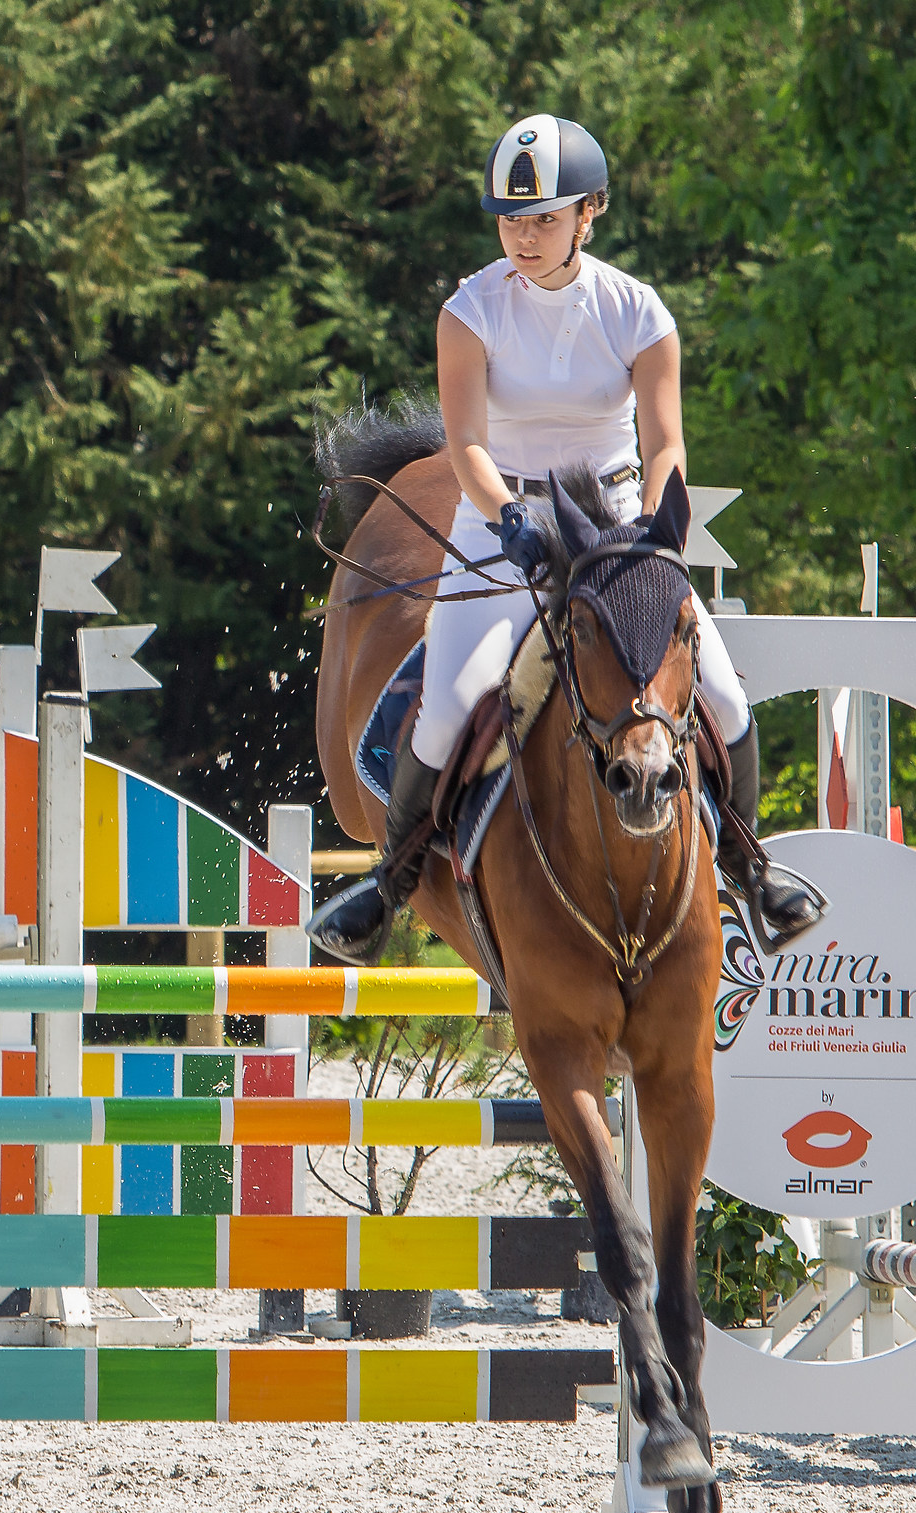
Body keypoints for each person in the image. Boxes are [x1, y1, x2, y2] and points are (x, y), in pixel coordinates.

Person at [309, 113, 824, 963]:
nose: (524, 234)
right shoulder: (470, 310)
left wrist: (658, 535)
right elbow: (468, 444)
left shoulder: (638, 312)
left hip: (619, 530)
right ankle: (388, 886)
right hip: (500, 521)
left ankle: (748, 868)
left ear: (592, 212)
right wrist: (508, 519)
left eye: (545, 217)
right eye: (512, 218)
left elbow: (665, 446)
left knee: (725, 699)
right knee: (447, 707)